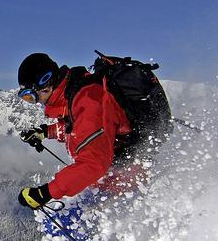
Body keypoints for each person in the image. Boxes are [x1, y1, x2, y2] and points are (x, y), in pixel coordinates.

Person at [15, 52, 147, 211]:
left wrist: (46, 193)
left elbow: (94, 162)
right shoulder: (74, 93)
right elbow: (80, 130)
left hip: (127, 180)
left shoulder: (87, 100)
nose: (34, 102)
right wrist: (45, 132)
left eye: (31, 97)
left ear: (46, 83)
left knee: (68, 221)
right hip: (113, 174)